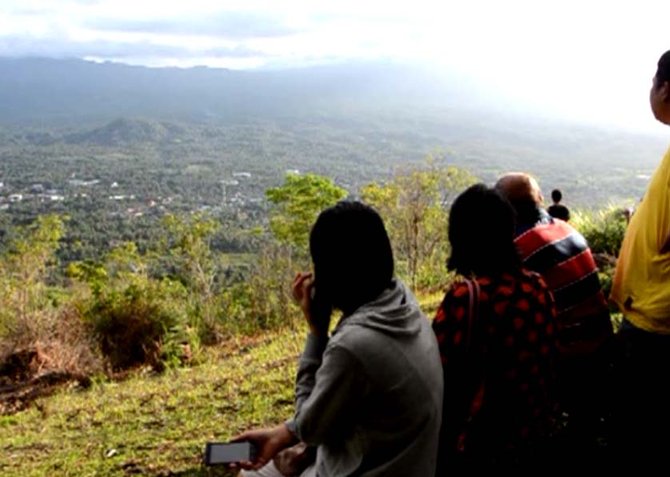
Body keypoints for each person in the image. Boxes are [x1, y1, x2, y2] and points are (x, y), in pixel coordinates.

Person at [234, 201, 444, 477]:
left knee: (252, 475)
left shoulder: (354, 345)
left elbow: (309, 427)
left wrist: (316, 332)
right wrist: (283, 435)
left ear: (329, 275)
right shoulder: (401, 300)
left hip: (375, 466)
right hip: (403, 459)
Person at [433, 184, 560, 473]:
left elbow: (435, 379)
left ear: (461, 237)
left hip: (479, 447)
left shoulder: (467, 298)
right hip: (531, 436)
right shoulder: (537, 285)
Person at [495, 173, 612, 459]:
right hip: (603, 346)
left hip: (570, 361)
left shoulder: (520, 248)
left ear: (503, 209)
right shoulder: (566, 229)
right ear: (540, 200)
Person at [609, 49, 670, 468]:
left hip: (655, 323)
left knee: (638, 431)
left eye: (652, 82)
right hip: (649, 314)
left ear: (666, 89)